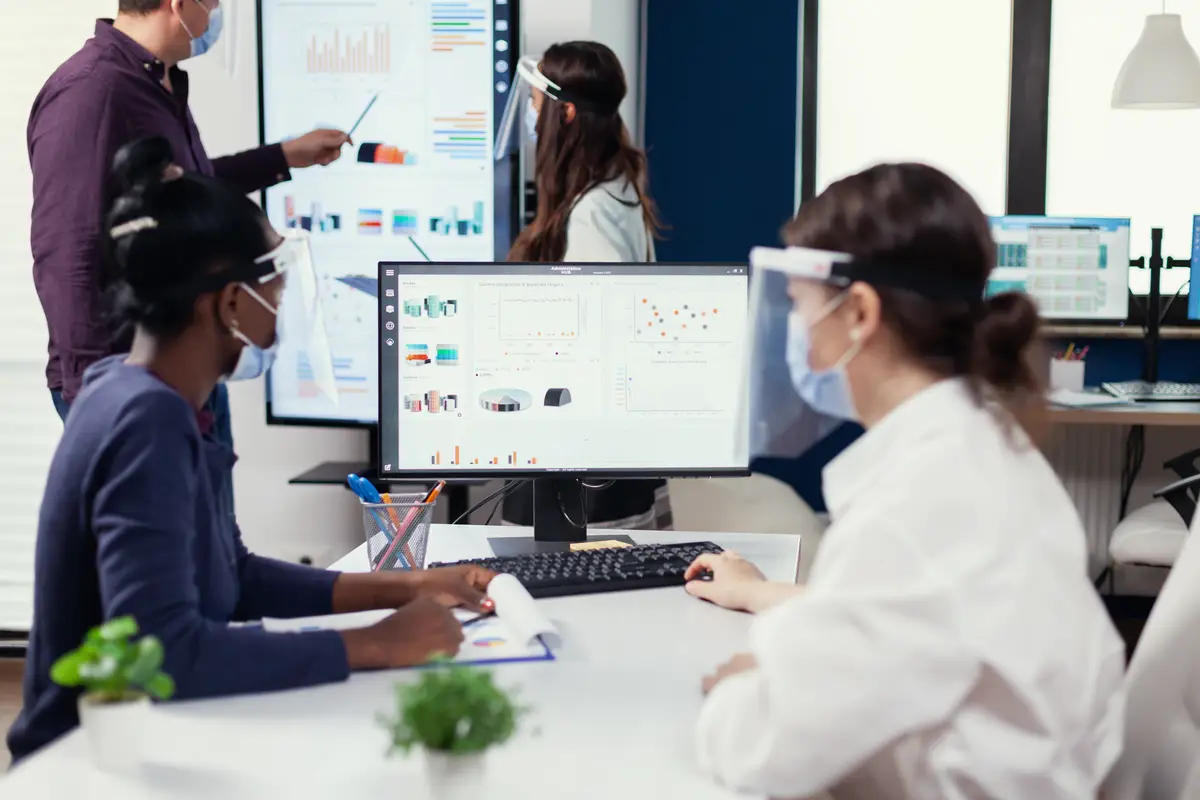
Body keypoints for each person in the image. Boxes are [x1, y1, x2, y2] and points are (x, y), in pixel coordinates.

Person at [7, 138, 493, 764]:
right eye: (277, 288)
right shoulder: (145, 421)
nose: (281, 305)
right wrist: (376, 644)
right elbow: (169, 653)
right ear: (232, 302)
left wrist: (410, 586)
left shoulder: (141, 394)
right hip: (89, 765)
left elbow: (234, 579)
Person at [686, 163, 1127, 799]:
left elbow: (764, 752)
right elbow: (916, 611)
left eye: (801, 309)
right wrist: (765, 598)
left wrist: (746, 690)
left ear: (859, 311)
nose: (798, 340)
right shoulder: (975, 442)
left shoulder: (918, 498)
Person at [29, 0, 349, 427]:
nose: (217, 11)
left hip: (187, 368)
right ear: (178, 4)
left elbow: (192, 193)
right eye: (214, 1)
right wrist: (101, 401)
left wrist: (285, 156)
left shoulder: (158, 83)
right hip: (130, 387)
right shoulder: (91, 93)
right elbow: (67, 257)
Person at [496, 41, 669, 530]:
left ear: (565, 113)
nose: (531, 117)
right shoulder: (616, 188)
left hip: (586, 471)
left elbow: (590, 346)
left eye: (535, 104)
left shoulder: (591, 213)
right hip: (605, 459)